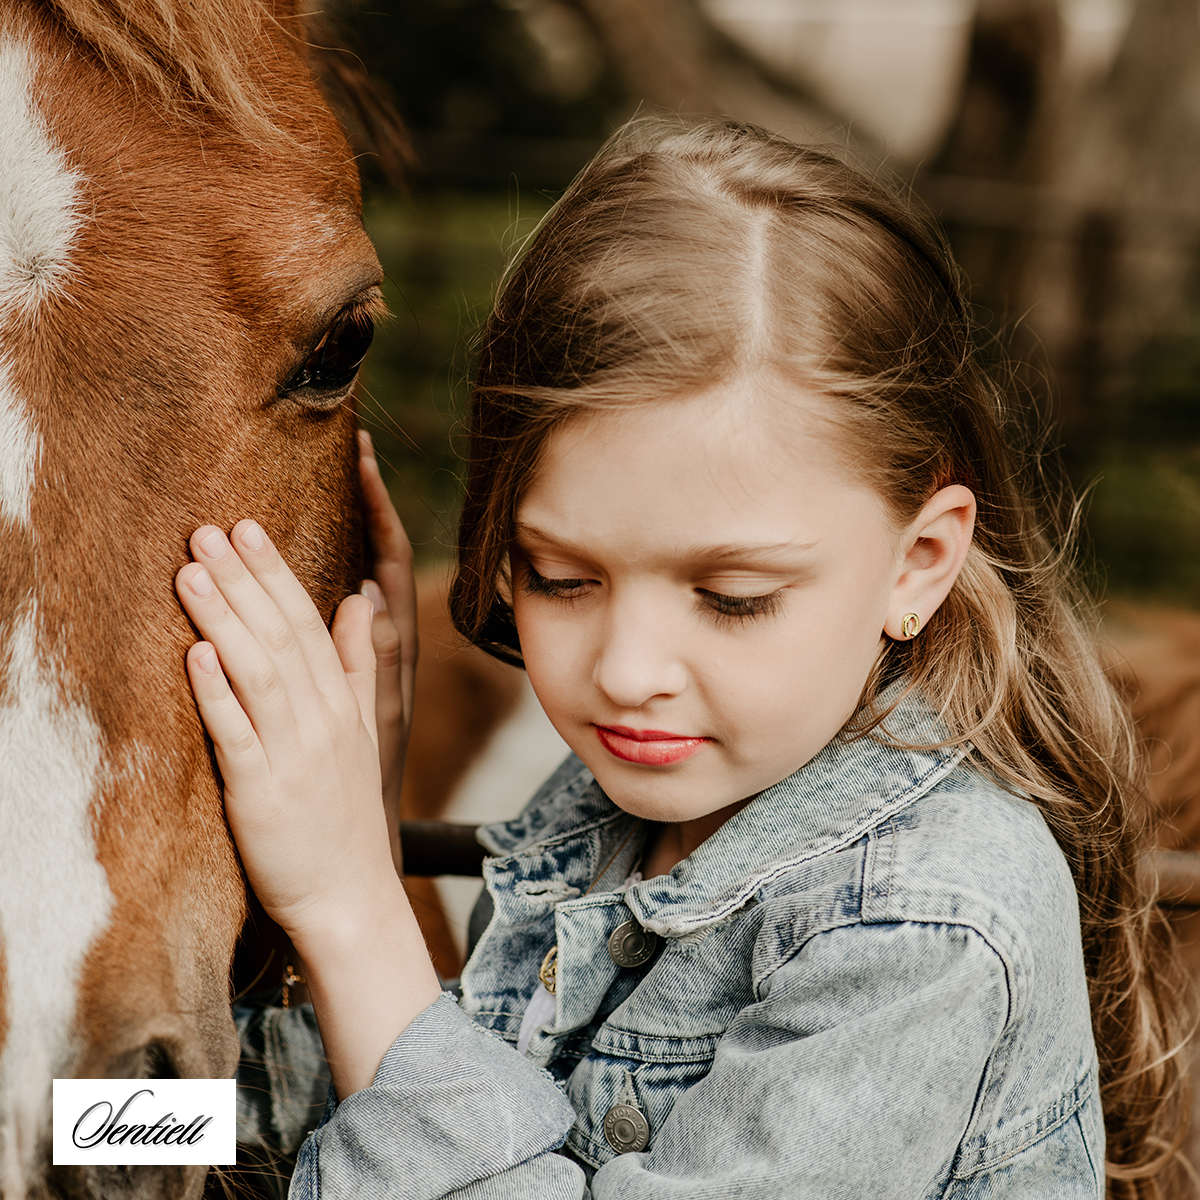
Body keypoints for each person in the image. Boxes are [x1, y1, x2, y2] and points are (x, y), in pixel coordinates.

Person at [174, 119, 1188, 1198]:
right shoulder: (638, 807)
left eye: (732, 599)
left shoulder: (918, 921)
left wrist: (352, 904)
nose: (624, 669)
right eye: (562, 578)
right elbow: (348, 1116)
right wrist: (65, 1117)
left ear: (920, 561)